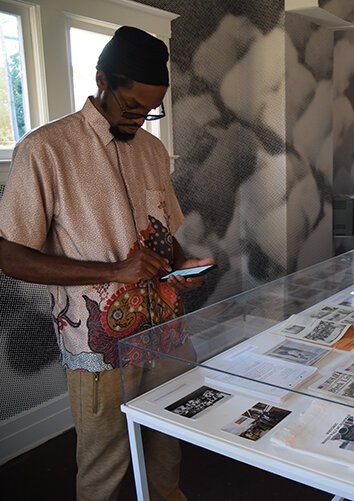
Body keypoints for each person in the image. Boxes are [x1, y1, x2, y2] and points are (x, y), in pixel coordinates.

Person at [0, 27, 213, 500]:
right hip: (99, 347)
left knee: (167, 448)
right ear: (101, 81)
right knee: (104, 462)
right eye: (132, 107)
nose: (140, 120)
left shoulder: (154, 150)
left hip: (166, 331)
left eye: (151, 110)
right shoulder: (46, 150)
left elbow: (164, 235)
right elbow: (11, 256)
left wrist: (183, 267)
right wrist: (114, 272)